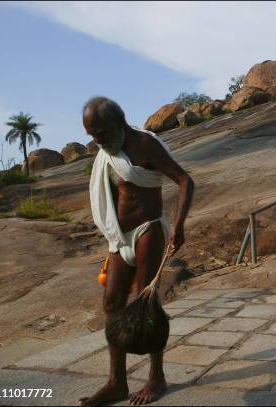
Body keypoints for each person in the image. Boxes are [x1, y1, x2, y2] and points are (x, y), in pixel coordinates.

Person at [80, 96, 194, 406]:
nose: (96, 141)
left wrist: (179, 225)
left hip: (148, 231)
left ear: (118, 123)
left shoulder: (145, 145)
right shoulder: (108, 152)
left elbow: (184, 180)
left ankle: (156, 377)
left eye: (100, 133)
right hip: (120, 237)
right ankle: (117, 383)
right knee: (112, 302)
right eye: (91, 134)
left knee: (147, 303)